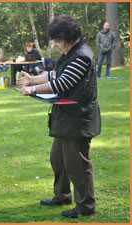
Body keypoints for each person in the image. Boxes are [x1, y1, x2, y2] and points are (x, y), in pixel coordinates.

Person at [17, 15, 101, 218]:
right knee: (58, 160)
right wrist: (32, 79)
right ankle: (62, 195)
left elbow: (62, 83)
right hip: (66, 117)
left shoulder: (81, 55)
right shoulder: (70, 52)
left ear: (69, 38)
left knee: (77, 165)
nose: (56, 45)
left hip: (78, 119)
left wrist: (33, 89)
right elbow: (55, 74)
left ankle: (85, 206)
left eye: (58, 41)